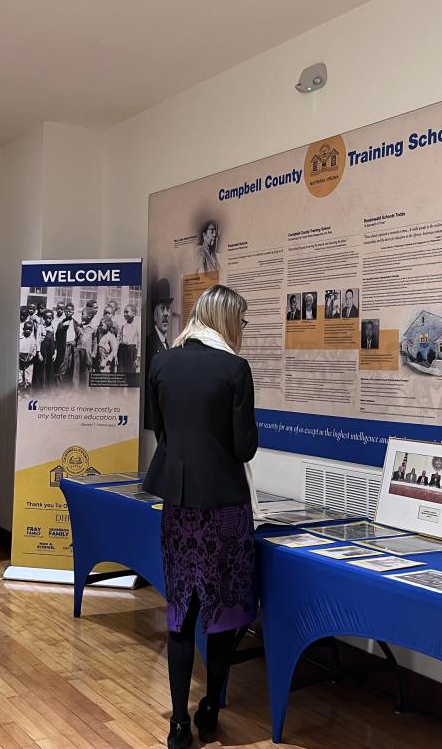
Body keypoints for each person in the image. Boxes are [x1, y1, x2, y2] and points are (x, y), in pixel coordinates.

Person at [144, 284, 257, 749]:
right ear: (228, 319)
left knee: (181, 612)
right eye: (242, 322)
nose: (243, 330)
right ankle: (210, 704)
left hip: (179, 504)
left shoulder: (162, 362)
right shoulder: (235, 369)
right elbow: (244, 446)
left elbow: (161, 430)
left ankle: (177, 723)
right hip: (226, 508)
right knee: (225, 608)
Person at [146, 279, 173, 379]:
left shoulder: (166, 344)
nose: (166, 314)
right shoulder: (149, 344)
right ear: (155, 315)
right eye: (162, 308)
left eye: (168, 308)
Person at [117, 305, 140, 373]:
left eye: (127, 312)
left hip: (131, 351)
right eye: (124, 312)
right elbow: (118, 339)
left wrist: (138, 357)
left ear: (133, 313)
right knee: (121, 371)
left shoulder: (137, 326)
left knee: (130, 373)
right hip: (122, 350)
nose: (125, 314)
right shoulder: (123, 326)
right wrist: (116, 355)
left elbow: (139, 342)